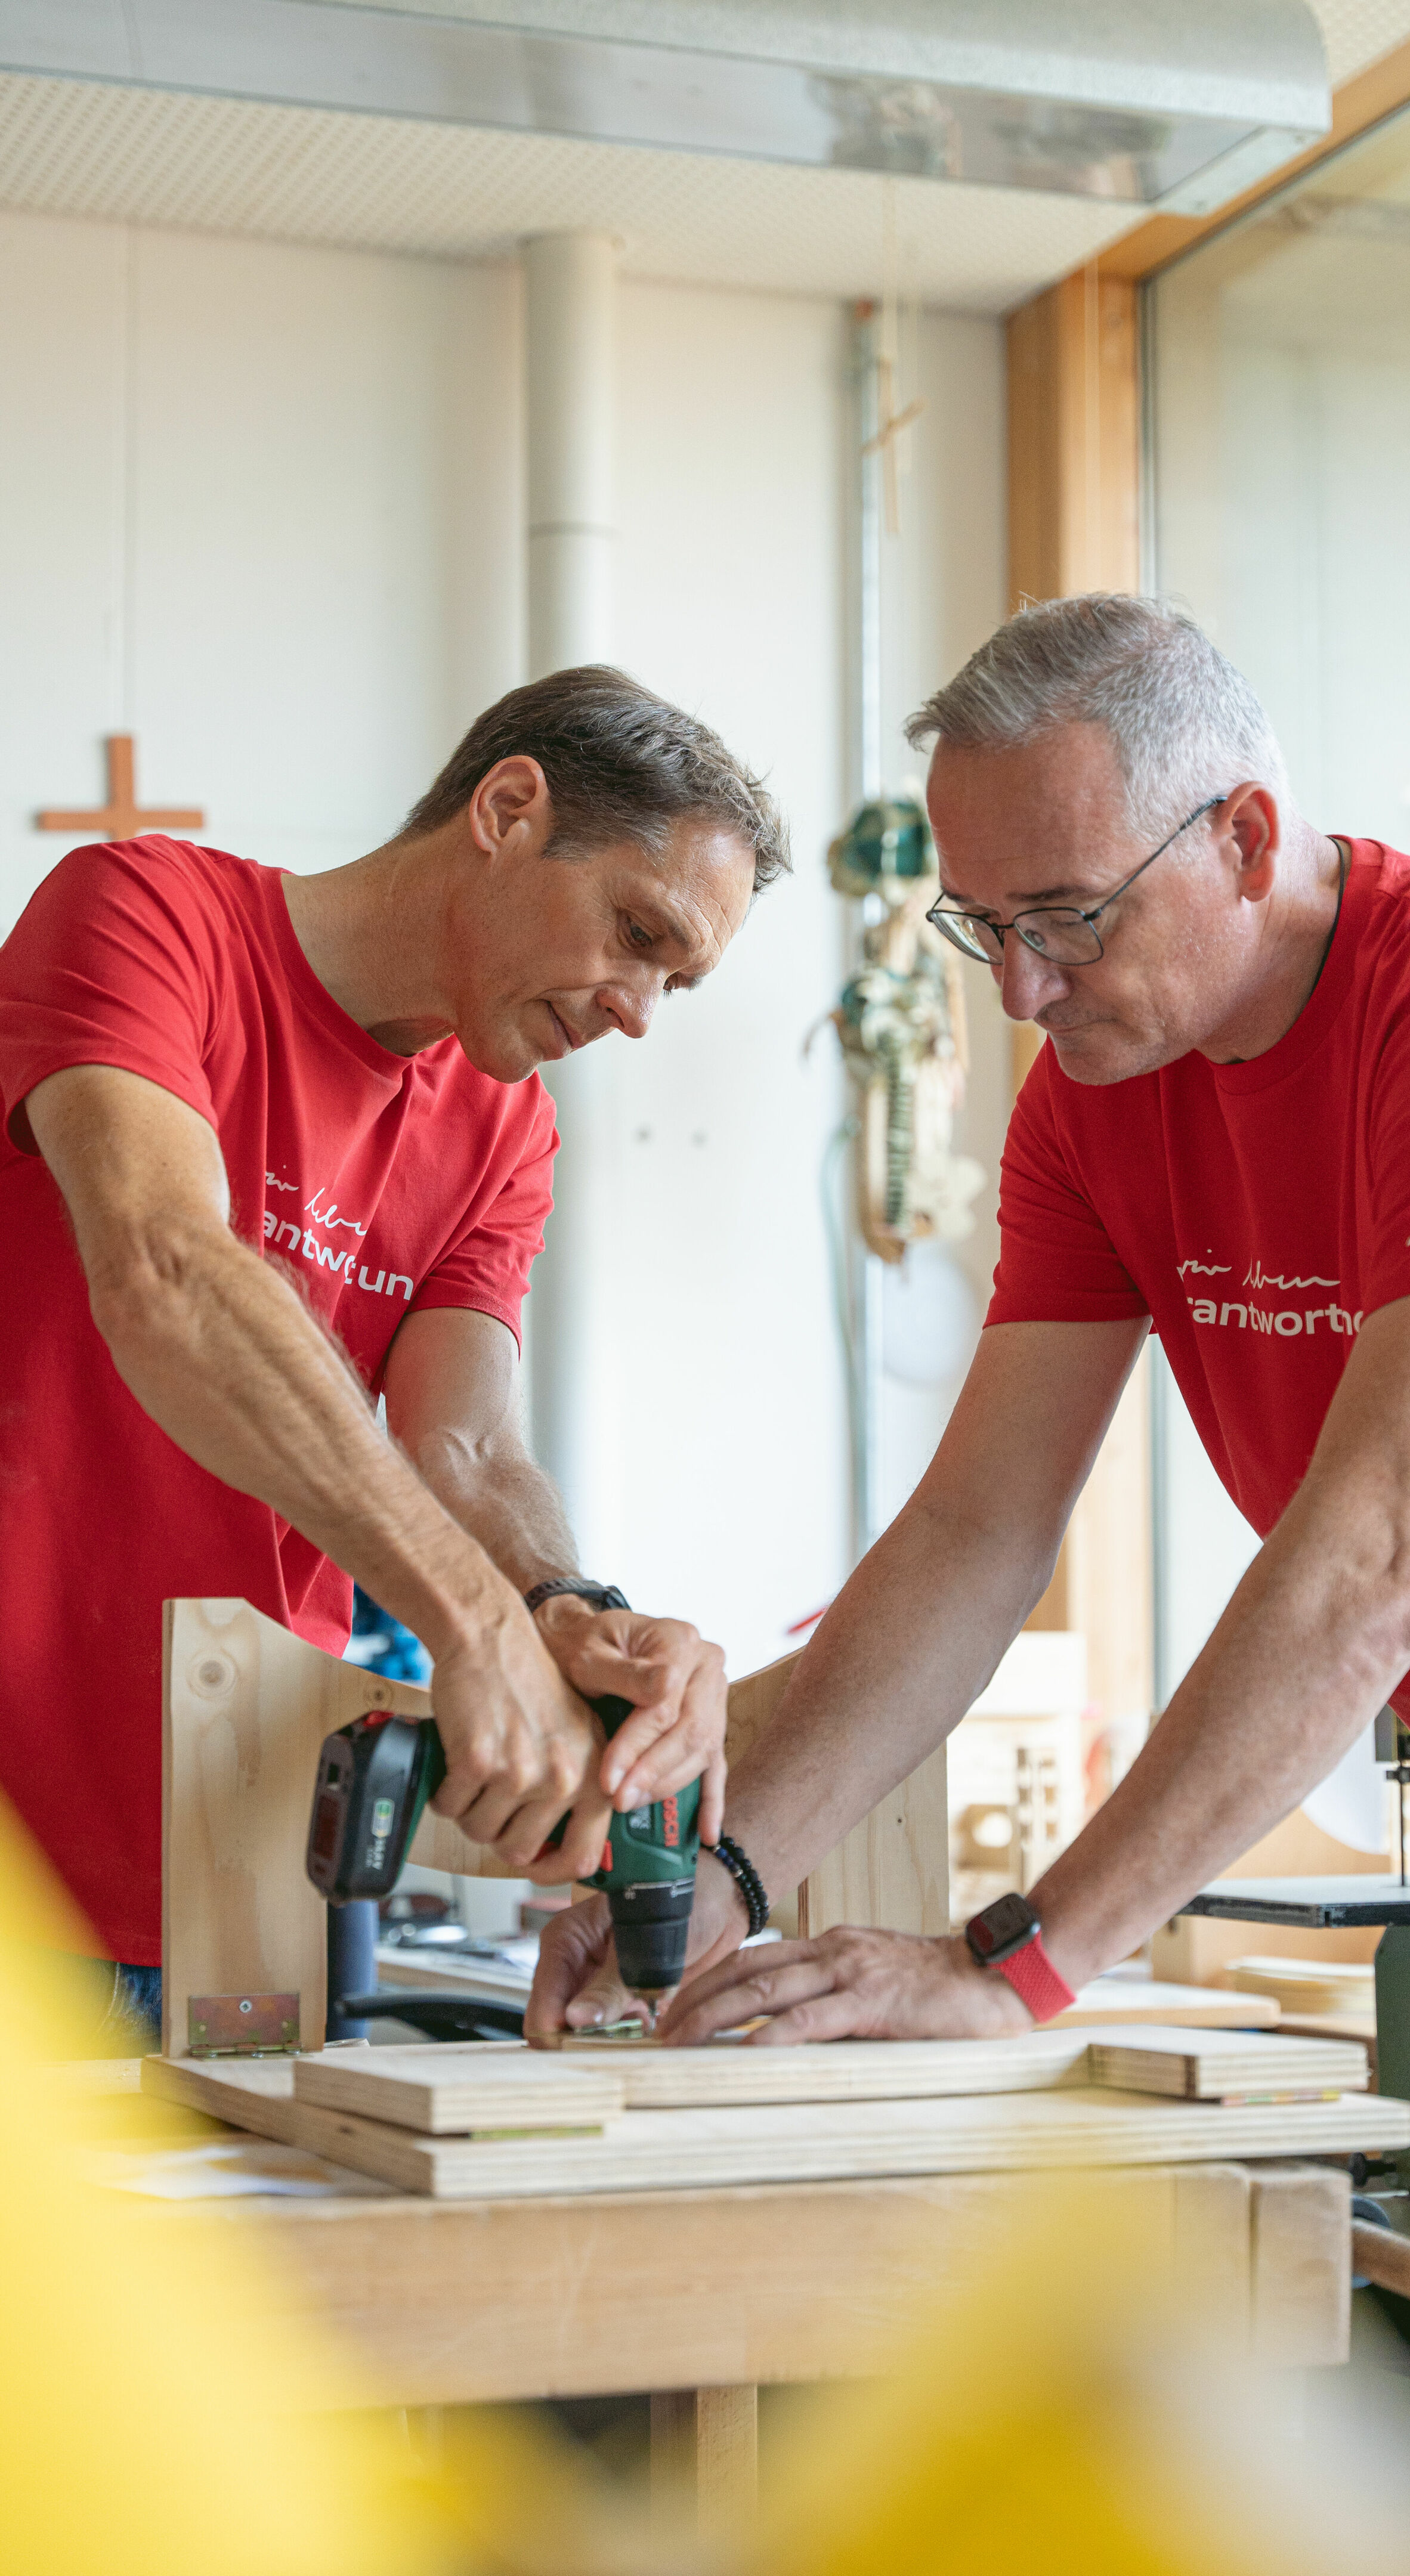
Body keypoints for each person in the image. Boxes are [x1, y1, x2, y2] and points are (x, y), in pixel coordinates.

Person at [531, 596, 1410, 2535]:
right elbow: (977, 1532)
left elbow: (1380, 1558)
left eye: (1068, 917)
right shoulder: (1094, 1101)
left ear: (1242, 837)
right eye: (982, 926)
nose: (1022, 987)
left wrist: (1021, 1963)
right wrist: (728, 1877)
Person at [0, 665, 787, 2043]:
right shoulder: (147, 916)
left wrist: (565, 1612)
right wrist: (471, 1625)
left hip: (240, 1858)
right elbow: (166, 1270)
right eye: (637, 932)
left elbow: (465, 1446)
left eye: (677, 980)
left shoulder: (506, 1129)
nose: (640, 1012)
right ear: (509, 809)